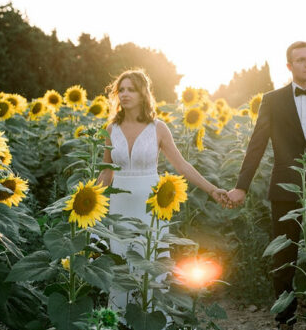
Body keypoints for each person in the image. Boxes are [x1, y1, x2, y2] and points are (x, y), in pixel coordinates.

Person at [226, 41, 306, 330]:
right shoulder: (273, 100)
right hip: (285, 189)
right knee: (284, 257)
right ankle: (285, 322)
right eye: (301, 60)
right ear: (289, 66)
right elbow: (257, 145)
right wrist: (241, 186)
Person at [96, 69, 228, 311]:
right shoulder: (111, 129)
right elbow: (107, 172)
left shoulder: (158, 128)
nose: (124, 94)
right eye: (121, 90)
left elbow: (181, 165)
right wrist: (86, 199)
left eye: (131, 89)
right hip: (120, 204)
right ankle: (123, 329)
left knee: (152, 261)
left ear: (143, 93)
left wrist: (212, 190)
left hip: (151, 205)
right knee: (122, 264)